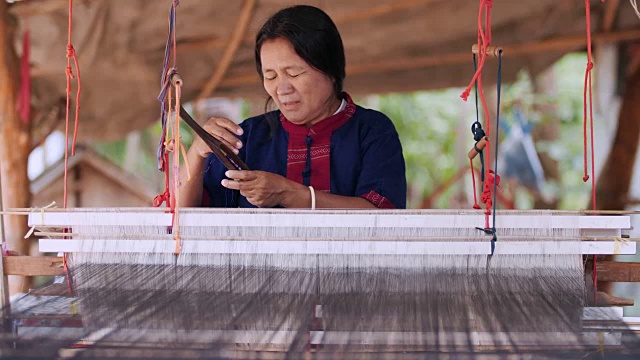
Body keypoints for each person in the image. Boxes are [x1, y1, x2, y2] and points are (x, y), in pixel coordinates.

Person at [179, 5, 406, 209]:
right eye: (271, 76)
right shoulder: (247, 138)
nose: (281, 88)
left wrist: (291, 194)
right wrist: (197, 153)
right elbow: (180, 217)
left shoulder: (372, 131)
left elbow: (382, 216)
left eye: (294, 73)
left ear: (330, 70)